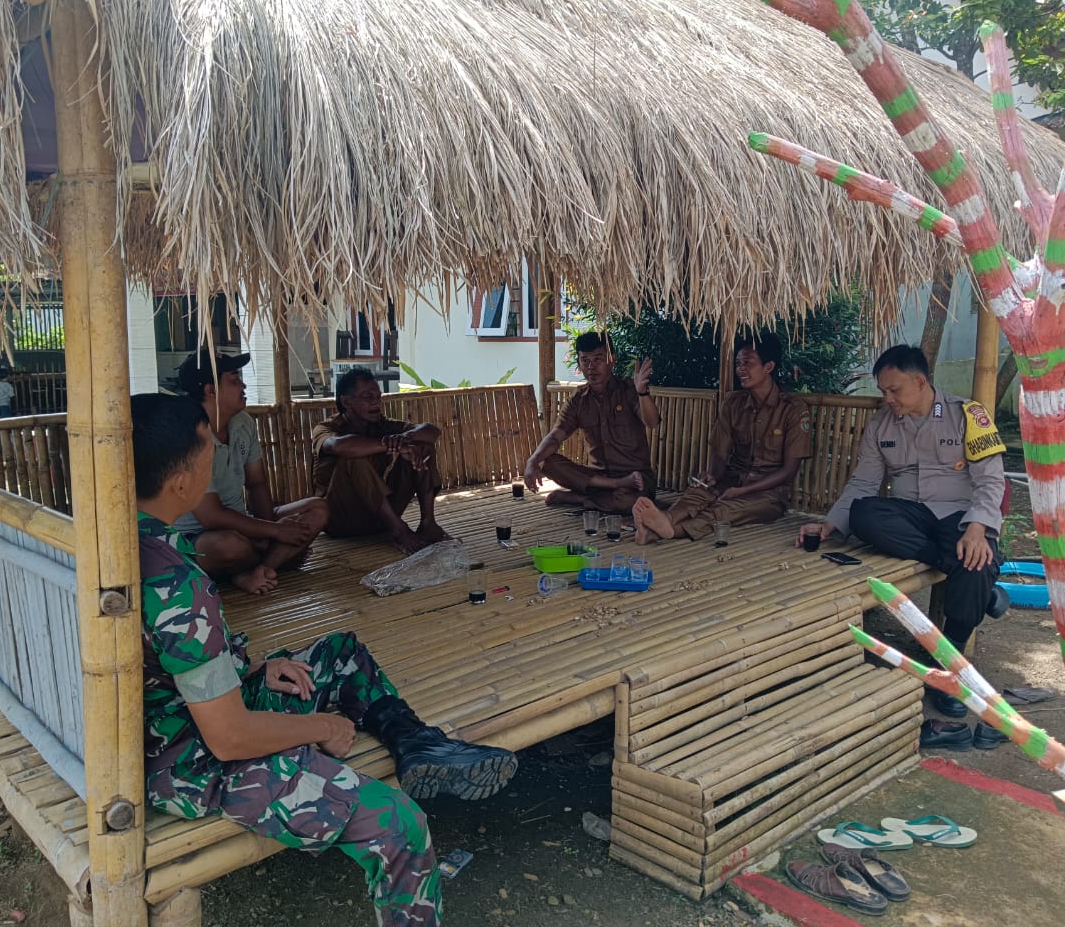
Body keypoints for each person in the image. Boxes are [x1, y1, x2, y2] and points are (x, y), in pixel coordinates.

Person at [132, 392, 517, 927]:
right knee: (400, 825)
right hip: (186, 760)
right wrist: (322, 727)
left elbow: (171, 664)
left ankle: (419, 746)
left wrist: (252, 670)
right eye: (206, 453)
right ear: (179, 483)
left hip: (174, 715)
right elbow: (230, 738)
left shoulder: (130, 541)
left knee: (340, 654)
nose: (213, 460)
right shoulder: (176, 584)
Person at [796, 344, 1009, 747]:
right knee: (864, 513)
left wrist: (978, 528)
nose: (888, 399)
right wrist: (830, 525)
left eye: (894, 390)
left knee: (976, 560)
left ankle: (951, 669)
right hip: (910, 516)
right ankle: (977, 585)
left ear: (920, 382)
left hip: (959, 515)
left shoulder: (969, 414)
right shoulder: (882, 425)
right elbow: (863, 482)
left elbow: (990, 480)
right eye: (883, 392)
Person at [173, 352, 328, 595]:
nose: (243, 386)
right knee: (228, 545)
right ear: (210, 390)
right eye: (234, 380)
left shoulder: (243, 423)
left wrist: (269, 531)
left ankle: (261, 569)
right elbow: (211, 517)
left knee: (317, 508)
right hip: (197, 537)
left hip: (243, 523)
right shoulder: (188, 436)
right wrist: (276, 532)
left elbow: (257, 483)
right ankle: (269, 561)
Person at [633, 335, 811, 544]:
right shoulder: (733, 403)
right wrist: (712, 476)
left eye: (747, 363)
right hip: (731, 481)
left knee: (723, 510)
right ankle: (665, 520)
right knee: (698, 493)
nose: (740, 369)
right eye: (738, 363)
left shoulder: (793, 410)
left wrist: (744, 490)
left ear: (768, 367)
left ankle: (665, 530)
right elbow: (720, 452)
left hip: (768, 494)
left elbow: (788, 471)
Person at [311, 368, 448, 554]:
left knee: (422, 446)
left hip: (377, 517)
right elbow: (339, 446)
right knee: (353, 456)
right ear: (346, 402)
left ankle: (428, 524)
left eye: (378, 396)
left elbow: (431, 431)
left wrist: (406, 439)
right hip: (340, 521)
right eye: (368, 397)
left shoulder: (381, 425)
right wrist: (388, 444)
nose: (376, 402)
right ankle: (399, 531)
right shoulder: (326, 428)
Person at [523, 332, 660, 514]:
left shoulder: (629, 390)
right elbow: (556, 437)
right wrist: (532, 460)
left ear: (612, 359)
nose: (591, 367)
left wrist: (642, 392)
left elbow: (652, 422)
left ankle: (580, 499)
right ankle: (611, 488)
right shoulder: (578, 400)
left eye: (598, 359)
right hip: (598, 479)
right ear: (579, 363)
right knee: (544, 461)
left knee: (630, 502)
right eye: (585, 360)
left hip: (636, 480)